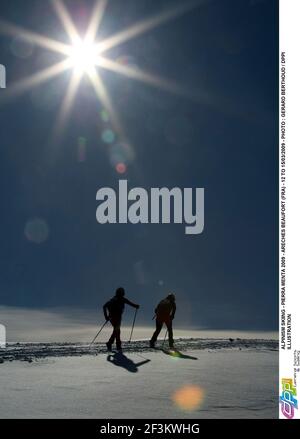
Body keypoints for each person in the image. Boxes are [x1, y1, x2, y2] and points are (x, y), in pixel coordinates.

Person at [103, 287, 139, 352]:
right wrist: (136, 306)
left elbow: (104, 306)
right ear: (122, 293)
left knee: (116, 330)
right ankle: (117, 345)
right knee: (117, 330)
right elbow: (130, 303)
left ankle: (110, 343)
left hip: (112, 317)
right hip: (117, 317)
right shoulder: (122, 299)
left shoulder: (112, 299)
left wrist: (106, 316)